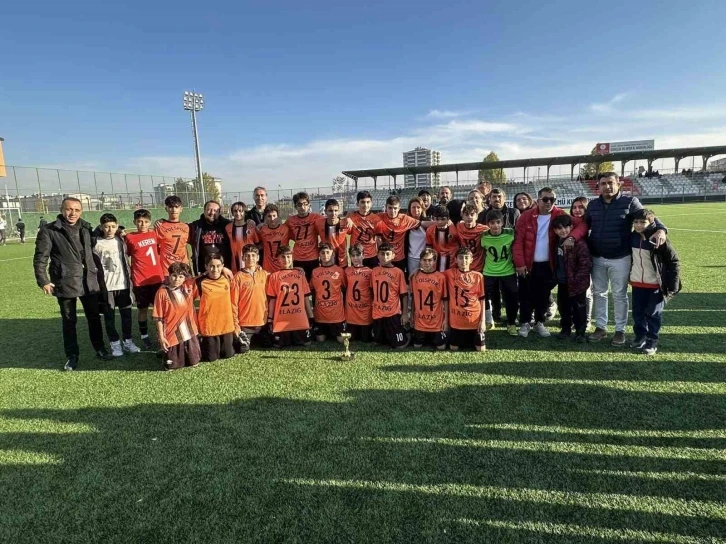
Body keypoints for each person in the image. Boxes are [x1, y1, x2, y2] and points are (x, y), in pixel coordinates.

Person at [586, 172, 667, 346]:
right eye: (603, 183)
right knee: (599, 293)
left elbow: (648, 217)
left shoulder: (630, 202)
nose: (607, 186)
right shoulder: (592, 205)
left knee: (619, 295)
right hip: (597, 257)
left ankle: (619, 330)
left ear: (618, 184)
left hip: (620, 257)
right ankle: (600, 327)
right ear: (598, 186)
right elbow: (584, 226)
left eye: (610, 182)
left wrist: (661, 229)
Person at [33, 197, 112, 369]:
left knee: (94, 317)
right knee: (69, 321)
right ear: (62, 210)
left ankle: (100, 348)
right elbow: (40, 258)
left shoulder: (86, 227)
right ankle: (72, 355)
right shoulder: (49, 230)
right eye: (69, 209)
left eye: (76, 210)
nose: (72, 213)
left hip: (88, 281)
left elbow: (102, 239)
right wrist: (43, 281)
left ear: (81, 211)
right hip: (65, 281)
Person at [513, 187, 587, 338]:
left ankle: (539, 322)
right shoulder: (526, 216)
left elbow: (582, 225)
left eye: (552, 199)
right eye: (545, 199)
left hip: (548, 264)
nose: (548, 202)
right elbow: (518, 241)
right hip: (528, 264)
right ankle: (525, 322)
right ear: (538, 200)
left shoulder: (559, 214)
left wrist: (572, 237)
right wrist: (520, 263)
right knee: (526, 294)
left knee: (543, 295)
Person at [629, 209, 681, 355]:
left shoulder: (659, 239)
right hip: (637, 283)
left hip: (655, 284)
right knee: (638, 313)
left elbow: (674, 261)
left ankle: (652, 340)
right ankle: (640, 336)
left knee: (653, 313)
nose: (639, 225)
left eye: (643, 222)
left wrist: (672, 285)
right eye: (636, 222)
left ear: (652, 222)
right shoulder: (632, 237)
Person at [92, 213, 141, 356]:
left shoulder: (121, 240)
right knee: (109, 317)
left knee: (127, 316)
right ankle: (115, 344)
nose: (110, 229)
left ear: (117, 226)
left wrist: (121, 232)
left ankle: (128, 341)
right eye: (106, 227)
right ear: (101, 227)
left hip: (124, 286)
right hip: (106, 288)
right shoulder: (95, 243)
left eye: (113, 226)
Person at [125, 209, 164, 349]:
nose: (142, 224)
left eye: (146, 222)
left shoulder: (154, 234)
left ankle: (161, 335)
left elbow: (160, 249)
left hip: (157, 278)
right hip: (140, 280)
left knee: (159, 310)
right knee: (142, 309)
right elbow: (127, 254)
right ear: (134, 222)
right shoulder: (129, 237)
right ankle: (144, 335)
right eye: (139, 221)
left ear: (150, 222)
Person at [152, 262, 201, 370]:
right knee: (170, 367)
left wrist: (224, 269)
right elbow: (158, 318)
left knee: (194, 363)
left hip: (190, 331)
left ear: (185, 278)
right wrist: (161, 337)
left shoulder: (188, 287)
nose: (176, 279)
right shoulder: (162, 293)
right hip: (172, 334)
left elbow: (204, 276)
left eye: (180, 276)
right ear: (169, 276)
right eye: (174, 275)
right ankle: (165, 353)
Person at [551, 214, 592, 343]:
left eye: (565, 227)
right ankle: (565, 329)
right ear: (555, 231)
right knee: (564, 307)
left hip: (577, 284)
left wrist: (576, 280)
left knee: (579, 308)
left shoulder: (579, 245)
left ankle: (580, 332)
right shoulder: (557, 243)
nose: (563, 231)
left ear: (571, 227)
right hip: (563, 282)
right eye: (559, 228)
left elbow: (585, 266)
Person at [265, 245, 314, 348]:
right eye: (283, 257)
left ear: (292, 257)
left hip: (299, 318)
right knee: (278, 345)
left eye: (288, 256)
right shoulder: (274, 276)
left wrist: (311, 317)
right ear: (277, 259)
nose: (286, 259)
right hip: (281, 319)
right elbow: (273, 300)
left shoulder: (300, 274)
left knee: (306, 343)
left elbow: (305, 297)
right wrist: (270, 320)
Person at [195, 253, 240, 362]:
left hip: (226, 325)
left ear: (223, 266)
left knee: (228, 354)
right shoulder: (199, 282)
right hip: (209, 326)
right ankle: (199, 342)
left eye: (218, 266)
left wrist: (236, 324)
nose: (215, 269)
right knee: (211, 358)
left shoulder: (228, 279)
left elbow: (234, 303)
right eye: (211, 266)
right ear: (206, 267)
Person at [481, 209, 518, 336]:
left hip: (508, 271)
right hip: (489, 271)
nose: (495, 225)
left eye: (498, 222)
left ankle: (511, 322)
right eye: (492, 223)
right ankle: (488, 319)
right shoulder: (483, 235)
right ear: (488, 224)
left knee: (512, 297)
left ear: (502, 223)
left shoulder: (511, 233)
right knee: (483, 296)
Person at [444, 247, 486, 352]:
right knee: (453, 348)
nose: (464, 261)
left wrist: (483, 320)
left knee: (481, 349)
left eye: (467, 258)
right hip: (457, 321)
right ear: (456, 260)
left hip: (474, 320)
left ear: (472, 259)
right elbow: (433, 274)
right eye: (461, 258)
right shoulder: (449, 273)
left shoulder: (478, 276)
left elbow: (482, 299)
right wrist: (418, 270)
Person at [230, 244, 270, 351]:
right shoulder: (237, 277)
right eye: (247, 255)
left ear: (258, 258)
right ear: (243, 258)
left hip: (263, 323)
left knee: (269, 344)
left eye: (253, 255)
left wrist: (298, 269)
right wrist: (236, 325)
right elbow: (233, 304)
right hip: (245, 323)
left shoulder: (265, 275)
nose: (250, 258)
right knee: (242, 349)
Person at [370, 242, 410, 349]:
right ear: (377, 255)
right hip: (377, 313)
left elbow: (404, 294)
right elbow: (372, 292)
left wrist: (405, 313)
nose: (384, 257)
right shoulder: (374, 271)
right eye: (382, 254)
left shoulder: (398, 272)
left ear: (393, 255)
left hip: (392, 313)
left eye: (388, 254)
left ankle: (408, 332)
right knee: (377, 342)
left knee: (400, 346)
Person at [410, 248, 448, 350]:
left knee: (441, 347)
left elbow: (445, 300)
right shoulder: (415, 276)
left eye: (430, 260)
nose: (427, 263)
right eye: (424, 260)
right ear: (420, 261)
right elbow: (413, 298)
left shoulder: (441, 277)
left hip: (436, 320)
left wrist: (446, 319)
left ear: (435, 261)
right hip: (420, 320)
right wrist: (412, 316)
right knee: (417, 346)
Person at [374, 195, 422, 275]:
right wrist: (351, 214)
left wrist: (441, 223)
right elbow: (365, 217)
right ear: (386, 207)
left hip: (399, 259)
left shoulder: (404, 219)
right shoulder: (379, 217)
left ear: (399, 208)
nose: (393, 211)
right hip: (385, 257)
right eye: (390, 208)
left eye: (395, 208)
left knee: (399, 282)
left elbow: (422, 223)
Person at [310, 242, 347, 343]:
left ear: (333, 254)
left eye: (328, 252)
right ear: (319, 255)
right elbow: (312, 290)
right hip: (320, 315)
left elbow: (344, 288)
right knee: (320, 340)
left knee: (341, 340)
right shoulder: (315, 271)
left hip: (336, 315)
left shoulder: (339, 271)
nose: (325, 255)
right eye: (322, 253)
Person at [189, 200, 232, 276]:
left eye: (215, 210)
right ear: (204, 210)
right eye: (209, 210)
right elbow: (179, 227)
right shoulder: (196, 226)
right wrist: (163, 222)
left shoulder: (227, 225)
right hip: (203, 270)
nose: (212, 213)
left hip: (224, 269)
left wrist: (249, 221)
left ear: (219, 212)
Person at [287, 192, 323, 280]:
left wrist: (349, 215)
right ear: (295, 206)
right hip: (298, 258)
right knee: (300, 285)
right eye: (299, 205)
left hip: (313, 257)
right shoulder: (290, 221)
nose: (302, 207)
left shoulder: (317, 217)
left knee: (314, 284)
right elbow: (280, 230)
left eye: (305, 204)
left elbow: (331, 221)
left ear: (309, 205)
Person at [570, 196, 592, 329]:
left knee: (587, 291)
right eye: (574, 207)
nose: (577, 210)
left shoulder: (590, 222)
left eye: (581, 207)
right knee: (573, 290)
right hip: (573, 263)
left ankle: (587, 319)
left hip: (589, 261)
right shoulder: (569, 222)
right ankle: (575, 317)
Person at [155, 195, 191, 275]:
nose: (174, 209)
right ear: (166, 209)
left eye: (176, 207)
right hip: (167, 268)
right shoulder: (160, 226)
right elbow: (155, 248)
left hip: (183, 266)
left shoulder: (186, 227)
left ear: (181, 209)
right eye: (170, 207)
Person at [345, 244, 373, 342]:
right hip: (351, 312)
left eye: (358, 255)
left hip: (365, 311)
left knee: (366, 339)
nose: (355, 258)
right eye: (353, 255)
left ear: (363, 255)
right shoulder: (346, 271)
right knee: (351, 339)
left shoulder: (370, 272)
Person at [347, 190, 383, 268]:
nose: (365, 205)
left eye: (368, 202)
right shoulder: (351, 217)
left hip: (372, 256)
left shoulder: (376, 219)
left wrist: (381, 256)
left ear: (371, 203)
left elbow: (379, 240)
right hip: (357, 256)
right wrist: (347, 217)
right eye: (362, 202)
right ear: (357, 203)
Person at [315, 198, 352, 268]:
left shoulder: (345, 223)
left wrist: (349, 217)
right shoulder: (319, 223)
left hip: (342, 261)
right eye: (330, 211)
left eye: (336, 211)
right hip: (326, 260)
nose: (333, 214)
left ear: (339, 211)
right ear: (325, 211)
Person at [224, 201, 259, 274]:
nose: (238, 213)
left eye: (241, 211)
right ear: (232, 213)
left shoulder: (251, 226)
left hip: (250, 260)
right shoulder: (228, 227)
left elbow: (258, 243)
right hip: (235, 261)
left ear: (245, 212)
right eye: (235, 211)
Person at [258, 204, 291, 273]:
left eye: (274, 216)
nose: (272, 219)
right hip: (268, 267)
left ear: (278, 216)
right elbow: (257, 244)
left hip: (283, 265)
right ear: (265, 217)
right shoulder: (262, 230)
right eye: (269, 216)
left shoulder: (285, 229)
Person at [425, 205, 460, 272]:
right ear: (433, 218)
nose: (439, 222)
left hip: (452, 262)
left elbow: (460, 244)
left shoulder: (455, 229)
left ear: (448, 219)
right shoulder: (430, 230)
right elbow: (429, 247)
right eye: (437, 219)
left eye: (443, 219)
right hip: (436, 261)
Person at [457, 204, 487, 273]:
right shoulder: (459, 226)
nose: (469, 217)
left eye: (472, 214)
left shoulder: (483, 228)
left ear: (476, 216)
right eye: (466, 215)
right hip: (464, 266)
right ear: (463, 216)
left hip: (479, 267)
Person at [405, 197, 428, 277]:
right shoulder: (406, 223)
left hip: (425, 258)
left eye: (418, 207)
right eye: (413, 207)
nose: (416, 210)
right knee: (413, 281)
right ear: (410, 209)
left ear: (422, 209)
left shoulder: (428, 222)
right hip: (412, 258)